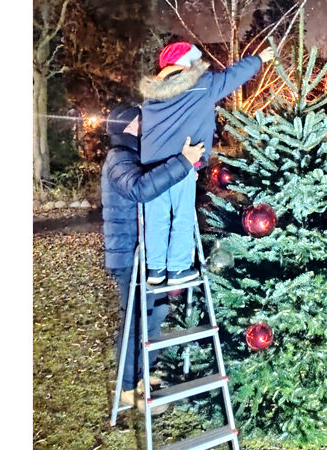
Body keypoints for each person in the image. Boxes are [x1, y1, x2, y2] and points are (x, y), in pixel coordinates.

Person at [138, 41, 275, 286]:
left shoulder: (152, 94)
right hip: (181, 163)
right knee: (181, 217)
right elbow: (232, 77)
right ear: (185, 63)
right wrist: (259, 59)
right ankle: (178, 269)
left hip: (151, 170)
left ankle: (155, 270)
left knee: (156, 219)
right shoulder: (201, 85)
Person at [101, 104, 206, 413]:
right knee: (136, 319)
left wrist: (184, 170)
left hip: (148, 255)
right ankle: (127, 387)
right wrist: (181, 163)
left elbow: (160, 186)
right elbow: (141, 188)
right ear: (125, 127)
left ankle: (145, 374)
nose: (146, 127)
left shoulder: (140, 157)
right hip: (129, 255)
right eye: (140, 122)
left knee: (155, 313)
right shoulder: (119, 158)